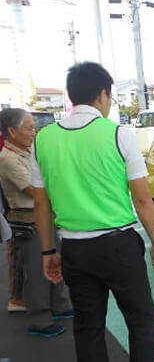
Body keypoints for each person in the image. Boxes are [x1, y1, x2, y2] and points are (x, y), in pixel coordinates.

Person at [32, 62, 154, 362]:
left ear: (71, 96)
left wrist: (48, 251)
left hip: (74, 249)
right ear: (103, 94)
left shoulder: (43, 139)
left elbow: (41, 204)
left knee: (88, 326)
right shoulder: (119, 134)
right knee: (140, 320)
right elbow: (142, 199)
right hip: (119, 246)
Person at [0, 108, 71, 337]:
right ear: (12, 131)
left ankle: (59, 305)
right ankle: (39, 320)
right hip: (28, 222)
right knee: (37, 272)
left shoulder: (29, 151)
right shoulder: (6, 159)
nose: (33, 132)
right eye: (29, 128)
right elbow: (33, 190)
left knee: (56, 261)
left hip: (45, 217)